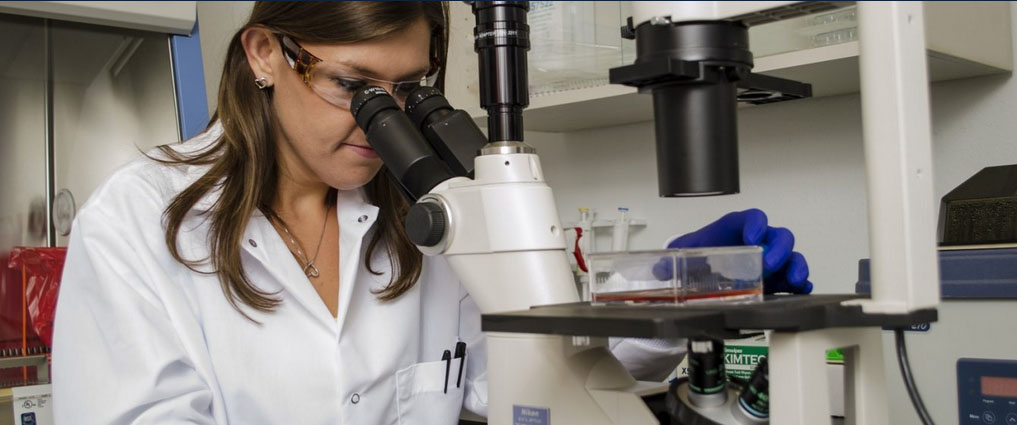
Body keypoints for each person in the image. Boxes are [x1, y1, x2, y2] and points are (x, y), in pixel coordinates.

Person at [51, 2, 812, 424]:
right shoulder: (141, 219)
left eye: (408, 90)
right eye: (354, 86)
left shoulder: (435, 215)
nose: (377, 121)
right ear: (262, 54)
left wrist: (671, 290)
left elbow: (530, 362)